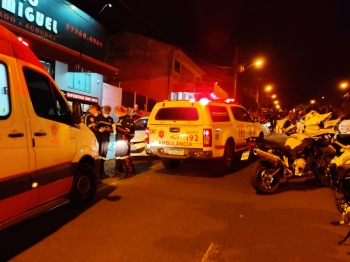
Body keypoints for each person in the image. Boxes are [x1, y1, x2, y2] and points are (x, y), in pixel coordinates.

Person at [112, 106, 135, 179]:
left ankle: (126, 172)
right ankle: (118, 171)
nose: (115, 114)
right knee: (118, 156)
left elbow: (127, 130)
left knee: (124, 156)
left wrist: (116, 127)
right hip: (119, 139)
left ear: (119, 112)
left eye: (116, 112)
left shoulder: (126, 119)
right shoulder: (120, 119)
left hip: (123, 139)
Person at [96, 105, 114, 178]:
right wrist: (100, 129)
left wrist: (110, 129)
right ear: (102, 110)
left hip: (106, 138)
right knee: (99, 155)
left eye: (108, 112)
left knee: (104, 155)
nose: (106, 113)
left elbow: (112, 129)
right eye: (105, 112)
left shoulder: (110, 119)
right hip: (99, 138)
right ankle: (98, 173)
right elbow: (94, 127)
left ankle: (101, 172)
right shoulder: (98, 117)